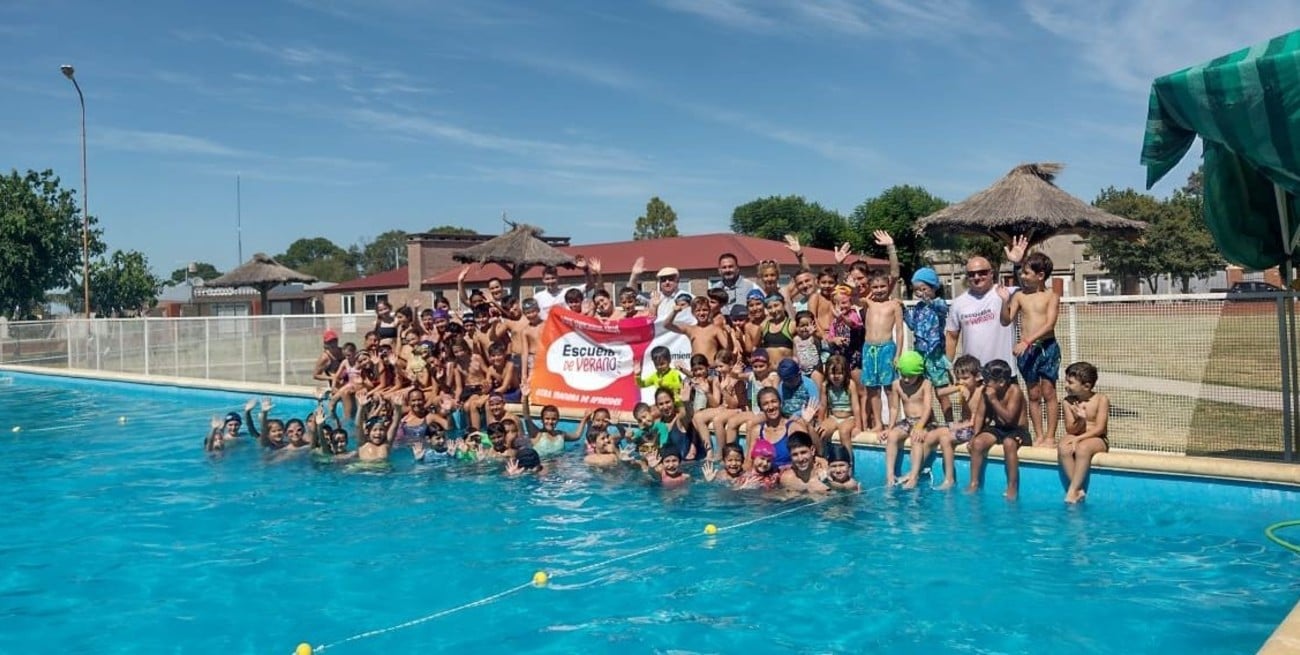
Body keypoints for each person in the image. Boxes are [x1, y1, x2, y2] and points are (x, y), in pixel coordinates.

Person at [1000, 251, 1062, 448]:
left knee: (1049, 392)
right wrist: (1004, 302)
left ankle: (1050, 436)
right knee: (1033, 394)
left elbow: (1049, 325)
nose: (1023, 276)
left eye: (1027, 273)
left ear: (1040, 275)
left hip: (1047, 347)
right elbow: (1006, 320)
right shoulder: (1019, 296)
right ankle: (1039, 435)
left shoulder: (1051, 296)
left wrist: (1027, 341)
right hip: (1026, 351)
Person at [945, 236, 1027, 380]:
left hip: (1004, 373)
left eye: (982, 272)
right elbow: (951, 337)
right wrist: (946, 368)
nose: (977, 277)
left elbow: (1029, 291)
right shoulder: (958, 303)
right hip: (973, 376)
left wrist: (1018, 264)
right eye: (971, 274)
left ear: (991, 273)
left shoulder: (1006, 293)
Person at [967, 359, 1029, 500]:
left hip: (1018, 430)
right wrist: (975, 435)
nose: (985, 384)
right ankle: (974, 482)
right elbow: (980, 415)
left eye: (988, 381)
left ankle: (1012, 486)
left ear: (1001, 382)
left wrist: (994, 400)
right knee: (977, 443)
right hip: (1000, 428)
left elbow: (1009, 419)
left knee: (1009, 443)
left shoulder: (1015, 391)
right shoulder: (986, 391)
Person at [920, 355, 983, 490]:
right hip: (965, 426)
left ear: (977, 376)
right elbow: (940, 392)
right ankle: (917, 470)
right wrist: (958, 388)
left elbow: (975, 422)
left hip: (976, 430)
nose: (961, 382)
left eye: (965, 378)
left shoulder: (980, 392)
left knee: (945, 438)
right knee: (930, 435)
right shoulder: (963, 388)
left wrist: (956, 426)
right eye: (958, 378)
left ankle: (949, 479)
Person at [904, 267, 954, 421]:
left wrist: (929, 301)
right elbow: (912, 326)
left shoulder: (939, 303)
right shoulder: (918, 307)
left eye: (923, 289)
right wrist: (903, 311)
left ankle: (950, 423)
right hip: (920, 354)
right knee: (921, 391)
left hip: (935, 355)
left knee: (941, 392)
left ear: (934, 287)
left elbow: (941, 310)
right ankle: (928, 422)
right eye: (917, 290)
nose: (920, 293)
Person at [882, 352, 936, 487]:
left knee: (916, 439)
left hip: (925, 421)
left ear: (919, 373)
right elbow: (894, 408)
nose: (906, 379)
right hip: (908, 421)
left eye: (910, 376)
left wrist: (920, 427)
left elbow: (927, 408)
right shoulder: (896, 384)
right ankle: (889, 474)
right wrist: (890, 427)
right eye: (903, 375)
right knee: (892, 436)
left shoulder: (926, 384)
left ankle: (914, 475)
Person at [859, 268, 903, 434]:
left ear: (888, 285)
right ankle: (878, 423)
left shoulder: (894, 305)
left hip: (887, 349)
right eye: (875, 287)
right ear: (870, 287)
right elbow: (851, 294)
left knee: (890, 388)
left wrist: (898, 354)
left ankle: (893, 423)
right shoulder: (867, 303)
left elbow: (899, 331)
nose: (879, 290)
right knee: (872, 389)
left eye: (883, 286)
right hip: (869, 349)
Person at [1058, 362, 1109, 503]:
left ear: (1086, 386)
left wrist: (1079, 439)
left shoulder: (1101, 399)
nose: (1066, 385)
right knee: (1063, 447)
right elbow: (1070, 429)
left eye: (1070, 383)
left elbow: (1100, 428)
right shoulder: (1068, 402)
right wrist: (1080, 419)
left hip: (1097, 438)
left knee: (1083, 448)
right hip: (1076, 434)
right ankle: (1077, 489)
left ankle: (1072, 490)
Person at [817, 354, 861, 457]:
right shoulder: (826, 385)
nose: (836, 376)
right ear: (827, 373)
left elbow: (856, 407)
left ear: (845, 373)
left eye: (840, 373)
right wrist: (820, 422)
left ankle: (848, 461)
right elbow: (823, 406)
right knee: (821, 433)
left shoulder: (850, 385)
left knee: (844, 432)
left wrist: (858, 427)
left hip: (849, 417)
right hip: (834, 417)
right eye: (833, 373)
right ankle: (823, 458)